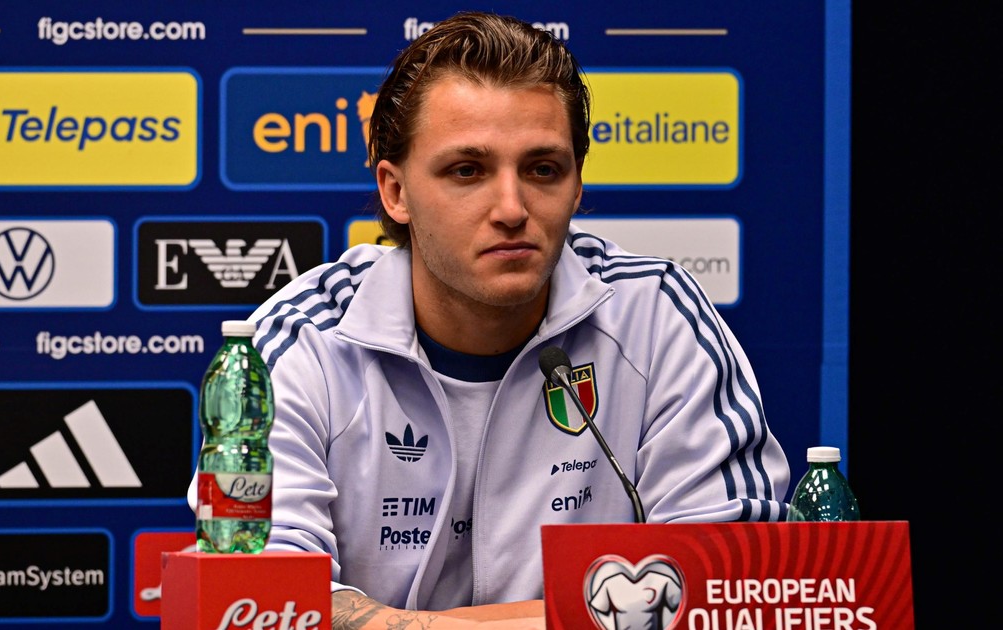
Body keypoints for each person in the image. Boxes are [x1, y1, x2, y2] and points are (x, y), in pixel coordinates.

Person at [192, 11, 790, 629]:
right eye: (467, 171)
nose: (511, 208)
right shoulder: (303, 343)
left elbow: (730, 589)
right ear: (396, 192)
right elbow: (259, 599)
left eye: (542, 169)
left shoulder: (654, 318)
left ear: (577, 186)